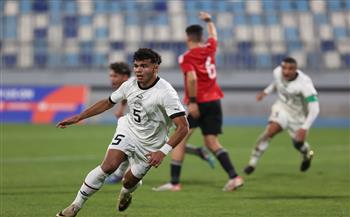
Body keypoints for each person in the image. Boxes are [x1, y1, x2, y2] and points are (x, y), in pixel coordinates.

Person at [56, 48, 189, 217]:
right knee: (108, 166)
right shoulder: (130, 84)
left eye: (144, 66)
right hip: (128, 130)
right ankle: (74, 207)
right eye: (136, 66)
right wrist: (79, 117)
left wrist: (162, 152)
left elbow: (183, 126)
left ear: (156, 68)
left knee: (129, 181)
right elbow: (108, 102)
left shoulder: (166, 93)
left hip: (152, 144)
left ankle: (126, 193)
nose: (139, 70)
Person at [153, 11, 243, 192]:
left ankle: (174, 182)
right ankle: (235, 177)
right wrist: (209, 21)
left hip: (199, 102)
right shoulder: (209, 48)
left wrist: (192, 102)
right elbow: (214, 36)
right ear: (201, 37)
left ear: (188, 38)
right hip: (215, 100)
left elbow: (192, 78)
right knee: (211, 142)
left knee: (179, 139)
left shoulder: (187, 57)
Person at [105, 62, 215, 184]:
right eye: (111, 76)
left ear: (124, 76)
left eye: (114, 76)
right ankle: (198, 151)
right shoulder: (132, 84)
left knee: (168, 141)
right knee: (138, 141)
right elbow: (126, 98)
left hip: (171, 114)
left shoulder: (136, 82)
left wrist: (121, 110)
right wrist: (121, 109)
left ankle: (119, 175)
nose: (111, 79)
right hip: (165, 114)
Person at [243, 57, 320, 175]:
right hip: (282, 108)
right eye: (284, 68)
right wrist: (265, 92)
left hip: (298, 117)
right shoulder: (277, 72)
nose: (286, 72)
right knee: (271, 130)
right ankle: (252, 162)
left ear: (296, 69)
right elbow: (276, 83)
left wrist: (305, 127)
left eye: (290, 69)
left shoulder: (305, 84)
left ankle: (306, 155)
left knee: (298, 143)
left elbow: (315, 108)